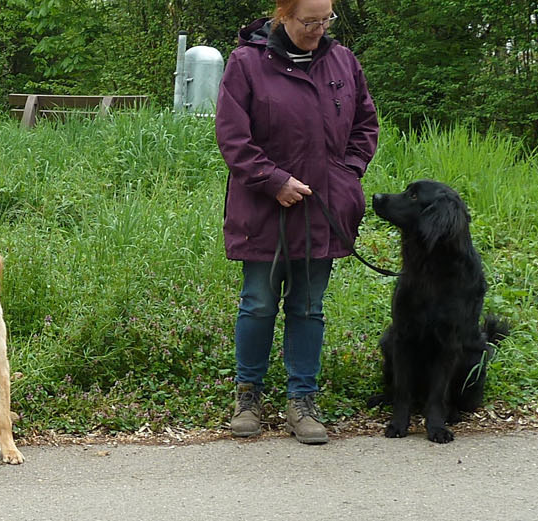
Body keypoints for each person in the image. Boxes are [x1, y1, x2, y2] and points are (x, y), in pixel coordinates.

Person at [214, 0, 378, 444]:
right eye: (309, 21)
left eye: (326, 19)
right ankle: (247, 397)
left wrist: (347, 173)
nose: (318, 28)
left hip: (323, 209)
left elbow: (365, 124)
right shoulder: (246, 63)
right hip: (263, 209)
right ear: (283, 15)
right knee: (258, 303)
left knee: (308, 307)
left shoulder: (343, 62)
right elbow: (233, 137)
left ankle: (302, 400)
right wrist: (274, 181)